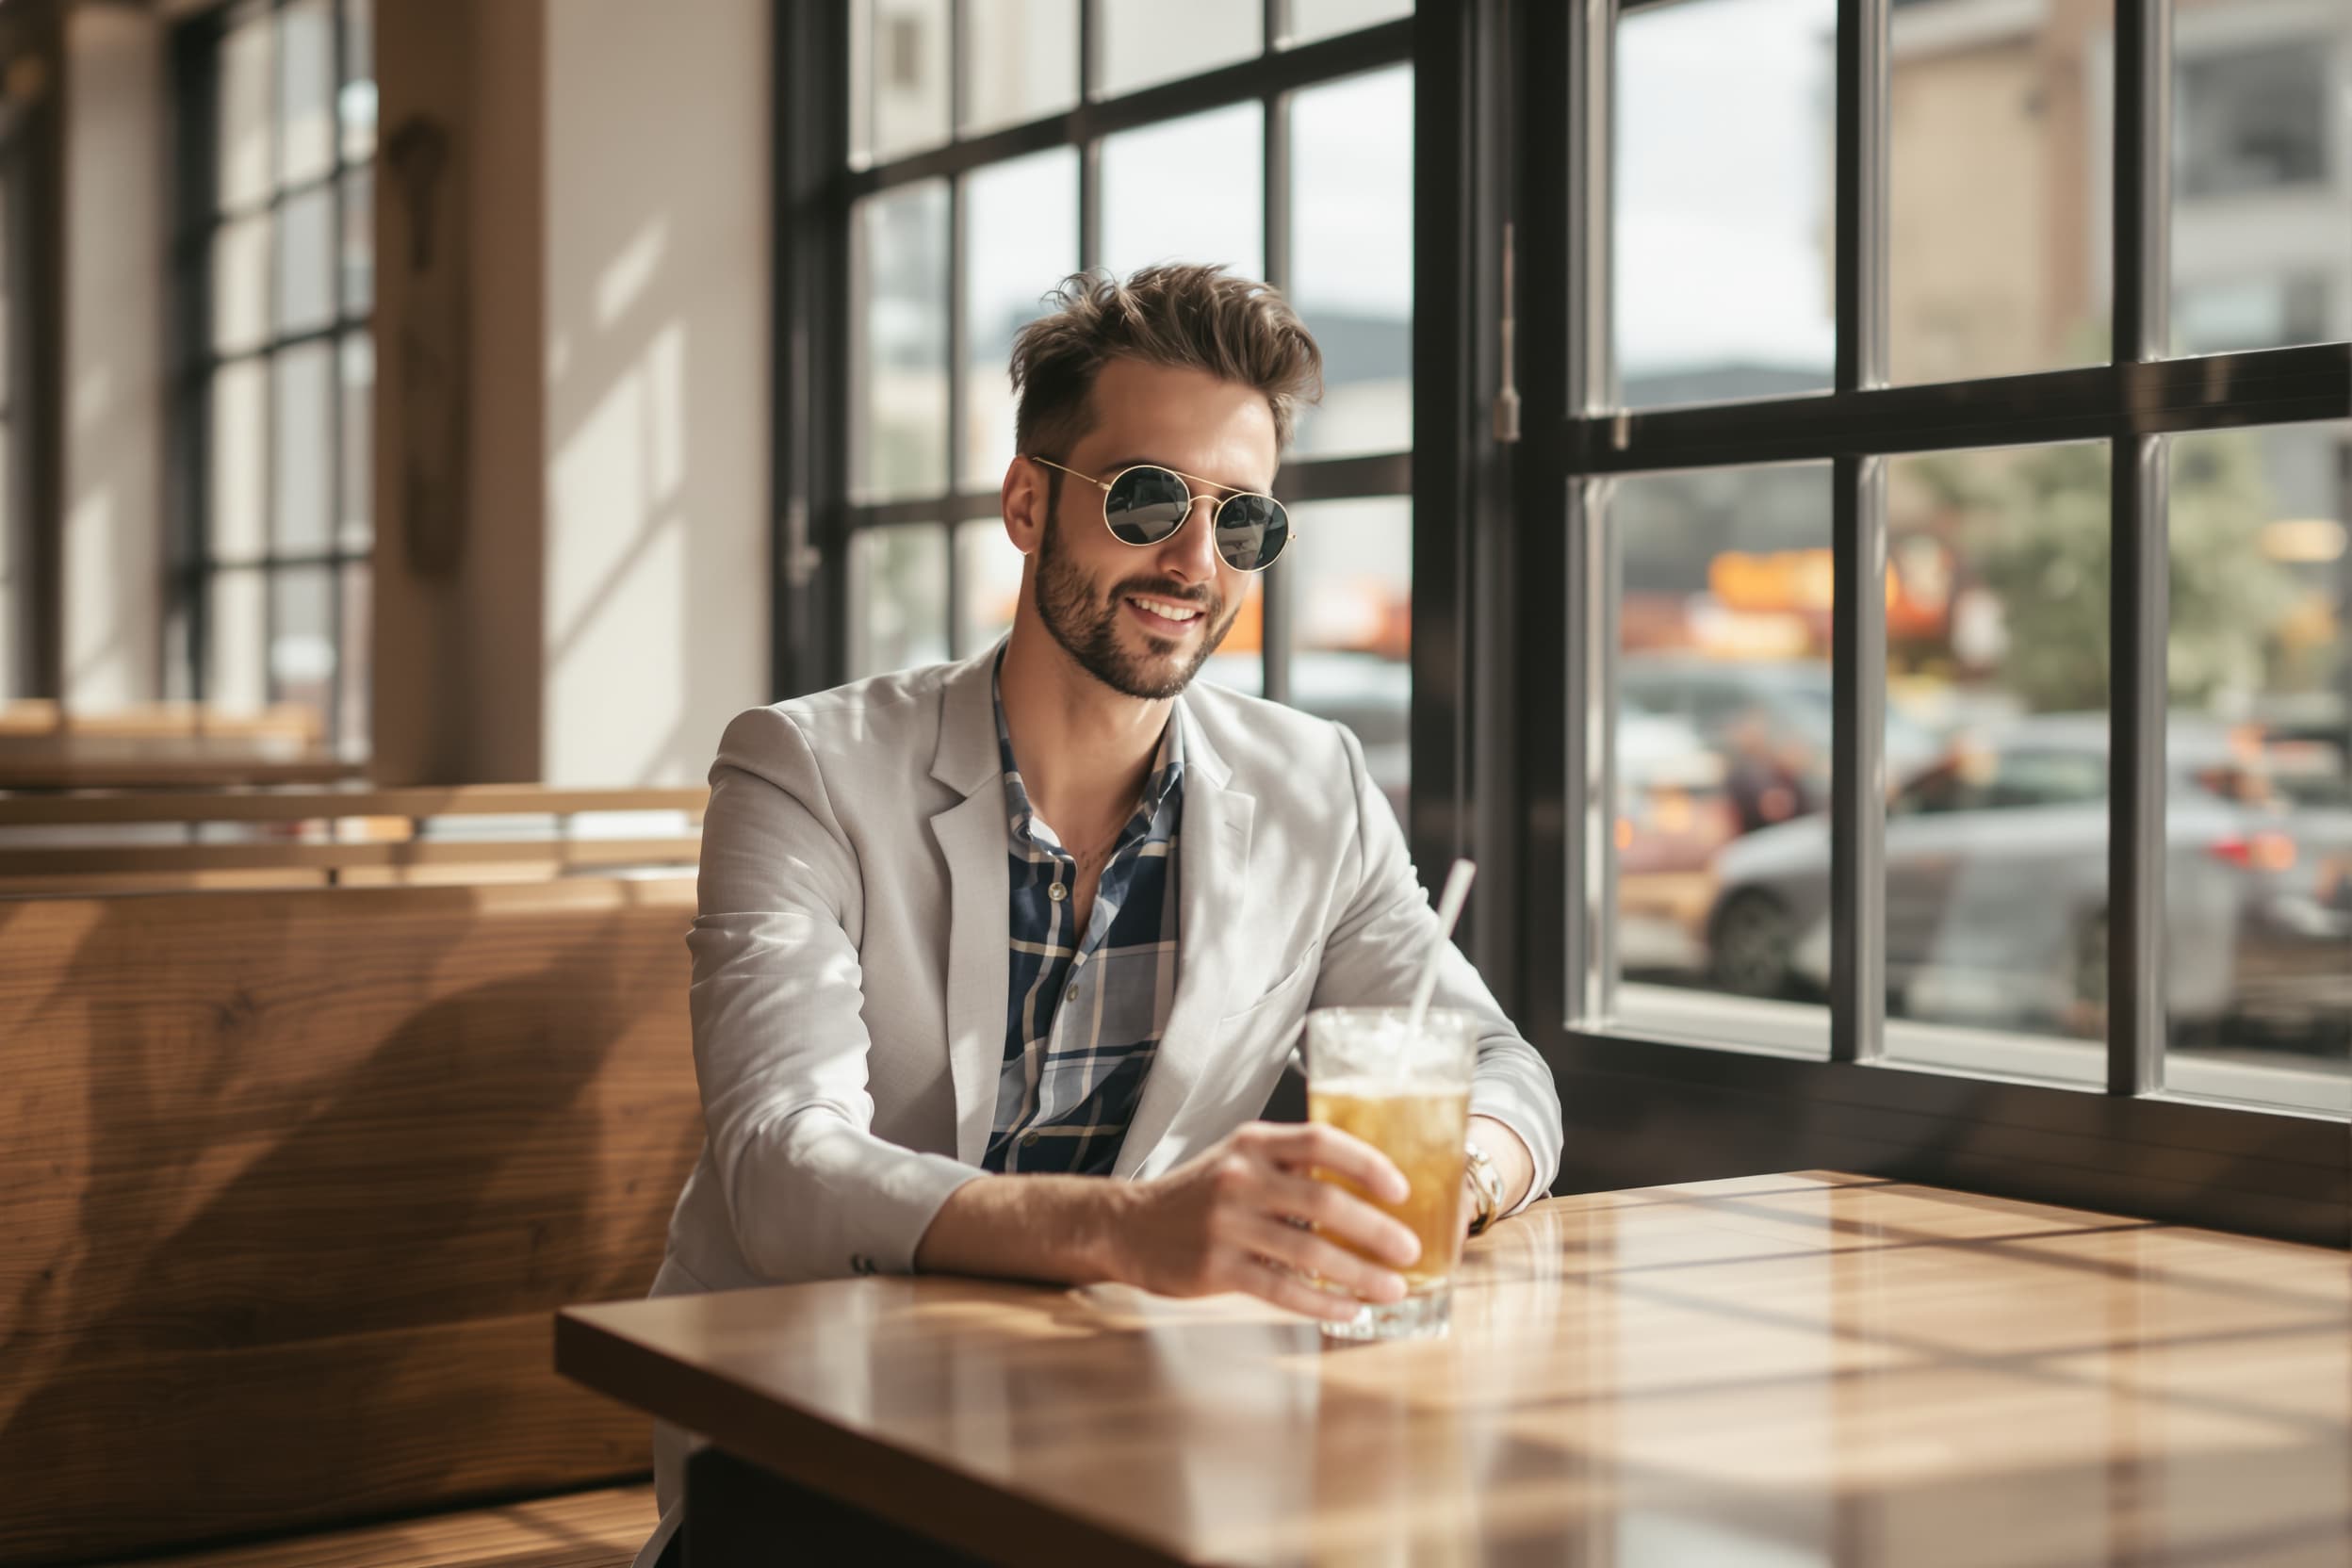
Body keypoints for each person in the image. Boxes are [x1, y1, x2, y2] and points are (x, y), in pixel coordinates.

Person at [636, 265, 1562, 1566]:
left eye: (1242, 520)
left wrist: (1437, 1191)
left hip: (1136, 1430)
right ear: (1028, 504)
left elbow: (1503, 1069)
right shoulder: (805, 770)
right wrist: (1134, 1235)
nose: (1193, 561)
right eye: (1147, 499)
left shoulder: (1317, 785)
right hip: (817, 1432)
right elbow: (783, 1168)